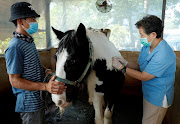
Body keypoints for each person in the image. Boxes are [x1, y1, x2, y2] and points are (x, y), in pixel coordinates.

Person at [4, 2, 67, 124]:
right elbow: (14, 81)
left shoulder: (28, 42)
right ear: (20, 21)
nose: (35, 22)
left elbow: (31, 63)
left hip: (39, 99)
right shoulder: (15, 47)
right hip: (29, 104)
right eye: (32, 19)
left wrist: (45, 70)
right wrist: (46, 86)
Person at [112, 15, 176, 124]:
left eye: (142, 34)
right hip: (148, 92)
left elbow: (144, 76)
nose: (140, 37)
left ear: (153, 34)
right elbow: (140, 66)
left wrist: (122, 68)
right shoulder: (147, 47)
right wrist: (126, 63)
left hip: (158, 96)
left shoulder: (163, 53)